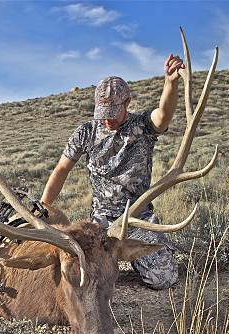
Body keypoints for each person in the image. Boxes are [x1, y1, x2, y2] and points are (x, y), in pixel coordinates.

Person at [40, 54, 185, 290]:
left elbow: (163, 116)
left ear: (127, 102)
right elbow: (62, 169)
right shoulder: (86, 132)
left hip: (138, 218)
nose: (107, 119)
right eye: (103, 112)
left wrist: (170, 83)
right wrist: (44, 206)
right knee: (83, 279)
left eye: (113, 112)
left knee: (163, 279)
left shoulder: (142, 126)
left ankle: (140, 256)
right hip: (100, 222)